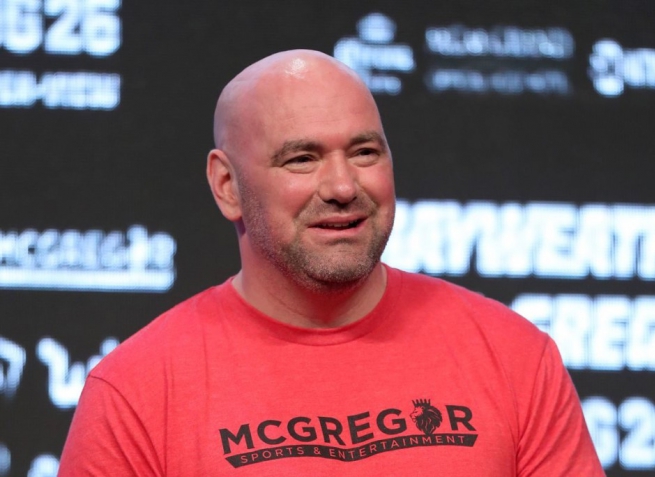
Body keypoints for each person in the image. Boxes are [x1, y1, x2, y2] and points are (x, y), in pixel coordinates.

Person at [58, 50, 605, 476]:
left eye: (365, 152)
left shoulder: (513, 357)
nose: (343, 186)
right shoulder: (137, 393)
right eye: (302, 159)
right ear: (227, 186)